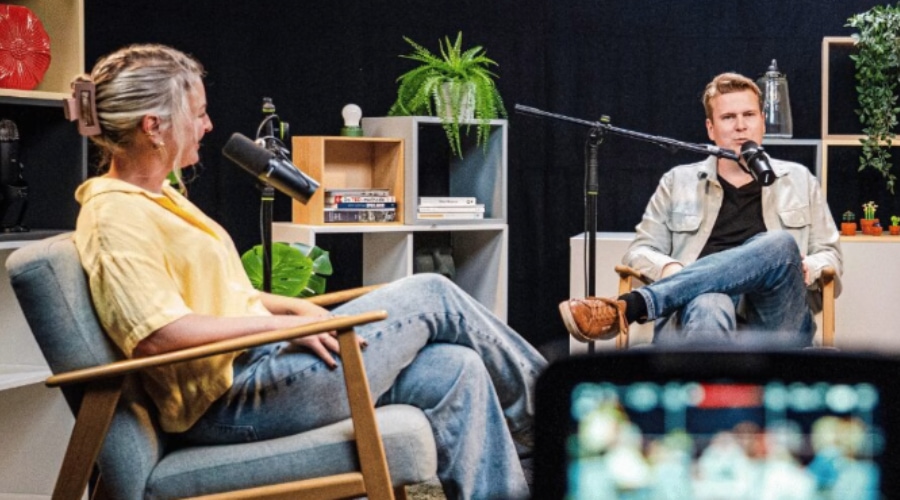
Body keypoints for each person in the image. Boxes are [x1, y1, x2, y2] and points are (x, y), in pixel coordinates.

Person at [65, 43, 546, 500]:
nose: (208, 126)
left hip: (261, 366)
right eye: (198, 114)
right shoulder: (115, 216)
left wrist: (293, 309)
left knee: (457, 369)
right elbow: (157, 335)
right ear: (154, 126)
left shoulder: (159, 197)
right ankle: (554, 414)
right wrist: (280, 327)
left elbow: (217, 294)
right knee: (433, 293)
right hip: (232, 399)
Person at [560, 72, 842, 348]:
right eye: (728, 117)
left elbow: (830, 254)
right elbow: (639, 252)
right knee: (710, 301)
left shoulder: (799, 179)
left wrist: (809, 266)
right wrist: (670, 268)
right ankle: (708, 376)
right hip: (696, 314)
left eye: (749, 115)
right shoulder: (677, 181)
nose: (740, 126)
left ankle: (634, 306)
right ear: (710, 128)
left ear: (762, 122)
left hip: (778, 323)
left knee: (780, 244)